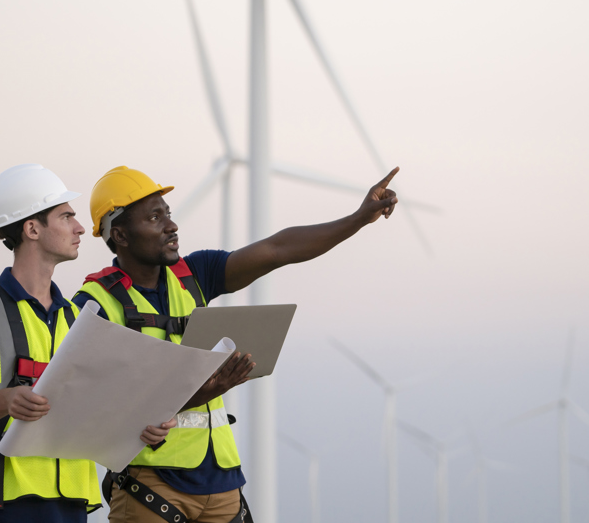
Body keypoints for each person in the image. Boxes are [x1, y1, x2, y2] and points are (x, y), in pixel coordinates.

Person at [73, 165, 400, 523]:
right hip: (151, 484)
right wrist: (199, 392)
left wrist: (356, 220)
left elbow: (279, 249)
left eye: (168, 213)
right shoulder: (93, 305)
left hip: (223, 483)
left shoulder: (195, 275)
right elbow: (90, 408)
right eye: (154, 217)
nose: (172, 225)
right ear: (120, 235)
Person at [0, 164, 175, 522]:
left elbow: (96, 413)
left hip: (72, 507)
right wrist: (6, 400)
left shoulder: (78, 320)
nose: (81, 227)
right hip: (2, 506)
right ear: (32, 229)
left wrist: (142, 428)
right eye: (66, 216)